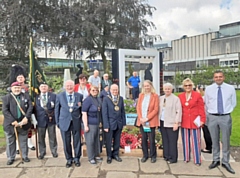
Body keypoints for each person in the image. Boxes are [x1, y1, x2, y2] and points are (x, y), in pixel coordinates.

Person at [205, 71, 236, 174]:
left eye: (220, 77)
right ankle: (216, 159)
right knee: (214, 140)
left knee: (225, 140)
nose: (218, 78)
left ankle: (226, 162)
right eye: (216, 77)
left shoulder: (230, 88)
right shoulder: (209, 89)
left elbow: (233, 103)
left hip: (225, 117)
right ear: (214, 78)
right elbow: (206, 102)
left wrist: (227, 111)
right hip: (212, 117)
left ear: (224, 77)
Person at [2, 82, 33, 165]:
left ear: (20, 88)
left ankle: (24, 156)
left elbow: (30, 107)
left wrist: (26, 117)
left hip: (24, 123)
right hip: (11, 124)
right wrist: (13, 120)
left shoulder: (26, 96)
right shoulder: (6, 98)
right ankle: (11, 157)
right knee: (10, 142)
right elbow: (5, 110)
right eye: (15, 88)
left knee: (23, 141)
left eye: (18, 88)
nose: (17, 89)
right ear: (12, 88)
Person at [55, 80, 83, 168]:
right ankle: (69, 159)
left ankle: (77, 158)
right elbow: (57, 110)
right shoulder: (60, 96)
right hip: (64, 122)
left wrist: (82, 121)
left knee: (77, 141)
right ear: (65, 87)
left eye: (71, 85)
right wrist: (57, 122)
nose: (69, 87)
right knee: (66, 142)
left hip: (76, 121)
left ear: (74, 86)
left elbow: (82, 110)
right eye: (67, 86)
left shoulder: (79, 96)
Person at [178, 78, 206, 166]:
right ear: (183, 86)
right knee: (185, 141)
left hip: (195, 121)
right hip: (184, 121)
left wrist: (202, 120)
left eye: (189, 85)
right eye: (186, 85)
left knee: (195, 141)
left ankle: (197, 159)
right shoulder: (180, 96)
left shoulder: (197, 95)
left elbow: (202, 108)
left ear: (192, 86)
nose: (188, 87)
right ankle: (186, 157)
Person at [136, 80, 159, 163]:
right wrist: (141, 118)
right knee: (144, 139)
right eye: (145, 86)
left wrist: (147, 118)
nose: (146, 87)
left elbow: (156, 109)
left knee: (151, 139)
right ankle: (145, 155)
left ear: (151, 86)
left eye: (148, 86)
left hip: (150, 121)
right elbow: (138, 107)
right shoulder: (141, 95)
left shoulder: (155, 96)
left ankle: (153, 156)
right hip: (142, 121)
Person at [102, 84, 126, 164]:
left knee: (117, 140)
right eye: (113, 90)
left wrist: (124, 123)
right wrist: (105, 125)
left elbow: (123, 111)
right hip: (109, 124)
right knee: (109, 141)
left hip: (119, 123)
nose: (115, 91)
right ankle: (109, 155)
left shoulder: (121, 98)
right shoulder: (106, 99)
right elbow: (104, 113)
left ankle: (115, 154)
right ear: (110, 90)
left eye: (116, 90)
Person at [159, 83, 182, 164]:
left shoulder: (176, 99)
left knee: (172, 141)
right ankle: (166, 156)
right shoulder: (161, 98)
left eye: (169, 89)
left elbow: (179, 111)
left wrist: (176, 123)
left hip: (172, 123)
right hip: (162, 122)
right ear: (163, 89)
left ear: (171, 90)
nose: (167, 90)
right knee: (165, 140)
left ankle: (173, 158)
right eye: (166, 88)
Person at [35, 82, 58, 159]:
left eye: (45, 86)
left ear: (47, 87)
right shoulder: (36, 97)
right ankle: (42, 152)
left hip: (51, 119)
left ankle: (54, 151)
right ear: (39, 88)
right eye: (42, 86)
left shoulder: (53, 96)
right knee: (41, 137)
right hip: (40, 120)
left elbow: (56, 107)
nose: (43, 88)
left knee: (52, 136)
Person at [82, 86, 103, 164]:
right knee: (90, 141)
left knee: (97, 140)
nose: (95, 91)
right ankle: (91, 157)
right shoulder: (87, 100)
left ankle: (96, 155)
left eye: (96, 90)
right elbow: (84, 113)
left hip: (97, 123)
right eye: (93, 90)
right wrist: (86, 125)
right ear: (89, 91)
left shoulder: (98, 99)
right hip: (90, 123)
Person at [196, 86, 212, 154]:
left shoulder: (203, 98)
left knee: (206, 132)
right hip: (209, 116)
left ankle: (209, 148)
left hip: (205, 116)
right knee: (209, 132)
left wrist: (198, 93)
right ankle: (210, 146)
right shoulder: (208, 97)